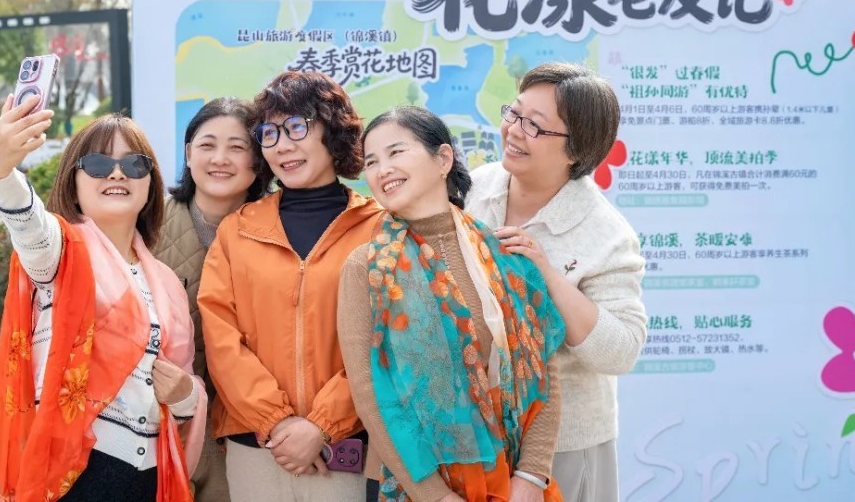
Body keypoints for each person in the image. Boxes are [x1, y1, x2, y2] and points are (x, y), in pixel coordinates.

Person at [0, 100, 206, 502]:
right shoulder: (61, 253)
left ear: (150, 185)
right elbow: (30, 228)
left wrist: (186, 395)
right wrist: (2, 173)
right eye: (98, 164)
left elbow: (179, 390)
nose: (117, 173)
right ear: (73, 184)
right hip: (76, 472)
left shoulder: (166, 282)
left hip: (150, 477)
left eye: (134, 164)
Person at [338, 106, 565, 502]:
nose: (382, 170)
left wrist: (532, 475)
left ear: (443, 159)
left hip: (514, 480)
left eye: (395, 152)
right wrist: (436, 496)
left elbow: (545, 370)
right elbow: (371, 395)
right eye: (371, 162)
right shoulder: (367, 269)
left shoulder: (505, 256)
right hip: (416, 487)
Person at [465, 63, 647, 502]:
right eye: (514, 113)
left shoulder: (607, 234)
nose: (514, 130)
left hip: (564, 448)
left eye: (535, 125)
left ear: (575, 150)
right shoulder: (474, 188)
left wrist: (545, 275)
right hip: (475, 436)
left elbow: (621, 350)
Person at [198, 71, 383, 501]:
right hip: (257, 446)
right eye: (269, 133)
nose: (282, 145)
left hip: (345, 446)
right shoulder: (237, 230)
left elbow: (385, 340)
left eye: (297, 127)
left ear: (332, 132)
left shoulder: (379, 228)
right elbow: (221, 337)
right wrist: (276, 421)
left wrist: (322, 425)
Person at [154, 97, 266, 502]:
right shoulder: (147, 223)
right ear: (188, 153)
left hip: (247, 430)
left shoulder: (280, 230)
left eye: (237, 147)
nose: (220, 159)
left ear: (259, 160)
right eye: (207, 145)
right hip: (158, 421)